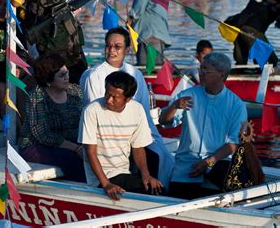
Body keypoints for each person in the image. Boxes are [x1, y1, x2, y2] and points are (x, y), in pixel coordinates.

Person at [80, 27, 174, 189]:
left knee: (161, 155)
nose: (112, 51)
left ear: (127, 50)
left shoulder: (135, 73)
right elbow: (100, 115)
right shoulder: (94, 76)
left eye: (117, 47)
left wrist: (149, 138)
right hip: (107, 138)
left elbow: (143, 112)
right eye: (108, 46)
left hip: (131, 131)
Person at [159, 53, 247, 199]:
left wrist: (209, 161)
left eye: (206, 70)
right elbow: (164, 121)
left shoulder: (236, 105)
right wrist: (174, 106)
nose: (201, 73)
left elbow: (233, 144)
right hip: (186, 165)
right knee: (176, 204)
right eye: (201, 69)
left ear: (222, 74)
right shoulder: (187, 95)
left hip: (217, 165)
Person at [79, 71, 163, 200]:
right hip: (101, 177)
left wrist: (146, 175)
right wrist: (106, 184)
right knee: (151, 194)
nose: (108, 99)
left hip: (123, 171)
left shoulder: (137, 109)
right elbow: (90, 152)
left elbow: (138, 148)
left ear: (127, 99)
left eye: (114, 97)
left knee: (156, 188)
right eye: (107, 94)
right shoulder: (91, 110)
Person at [19, 54, 85, 182]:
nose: (67, 78)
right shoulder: (36, 97)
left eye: (67, 73)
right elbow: (42, 135)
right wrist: (76, 148)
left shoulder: (75, 91)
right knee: (71, 158)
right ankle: (83, 193)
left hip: (71, 143)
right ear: (48, 80)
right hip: (36, 146)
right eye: (61, 75)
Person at [225, 0, 280, 67]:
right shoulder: (266, 0)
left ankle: (242, 74)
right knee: (270, 62)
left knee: (242, 61)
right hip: (250, 31)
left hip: (239, 29)